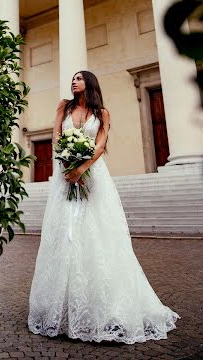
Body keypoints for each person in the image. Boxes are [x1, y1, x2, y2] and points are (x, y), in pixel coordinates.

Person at [28, 70, 180, 344]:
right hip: (65, 178)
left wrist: (82, 168)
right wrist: (68, 166)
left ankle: (103, 309)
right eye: (72, 79)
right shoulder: (64, 106)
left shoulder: (103, 113)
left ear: (90, 83)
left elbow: (99, 145)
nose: (73, 82)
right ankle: (63, 311)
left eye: (78, 78)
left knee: (96, 237)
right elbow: (55, 138)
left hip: (94, 178)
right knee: (65, 238)